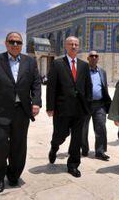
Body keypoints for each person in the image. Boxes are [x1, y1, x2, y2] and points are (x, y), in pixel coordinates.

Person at [0, 32, 41, 193]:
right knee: (0, 144)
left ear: (22, 44)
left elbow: (36, 84)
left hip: (21, 110)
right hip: (0, 110)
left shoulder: (30, 62)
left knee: (18, 145)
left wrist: (36, 102)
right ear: (5, 43)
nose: (15, 45)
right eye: (11, 42)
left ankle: (13, 175)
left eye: (18, 42)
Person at [46, 36, 92, 178]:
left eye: (76, 44)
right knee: (60, 134)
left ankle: (73, 165)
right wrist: (50, 106)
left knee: (77, 138)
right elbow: (51, 86)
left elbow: (88, 86)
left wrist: (88, 105)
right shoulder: (57, 64)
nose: (73, 46)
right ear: (65, 46)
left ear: (79, 47)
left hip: (79, 109)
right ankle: (54, 147)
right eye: (71, 44)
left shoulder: (84, 65)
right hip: (62, 108)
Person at [81, 51, 112, 161]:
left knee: (101, 127)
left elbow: (104, 87)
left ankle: (100, 151)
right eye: (92, 56)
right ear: (88, 58)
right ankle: (84, 149)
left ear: (98, 58)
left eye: (96, 56)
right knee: (83, 128)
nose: (94, 57)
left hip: (99, 104)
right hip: (86, 105)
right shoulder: (82, 71)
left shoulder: (102, 72)